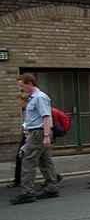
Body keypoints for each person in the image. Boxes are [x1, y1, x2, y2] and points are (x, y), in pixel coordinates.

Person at [10, 75, 60, 204]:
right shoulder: (33, 98)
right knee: (45, 160)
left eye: (22, 85)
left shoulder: (40, 97)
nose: (21, 88)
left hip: (39, 132)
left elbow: (46, 117)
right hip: (37, 132)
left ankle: (27, 193)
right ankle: (52, 188)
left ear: (30, 83)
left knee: (27, 160)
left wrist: (46, 136)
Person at [7, 93, 29, 189]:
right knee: (40, 158)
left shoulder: (29, 110)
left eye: (20, 101)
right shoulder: (23, 110)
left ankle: (20, 182)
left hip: (30, 136)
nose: (18, 103)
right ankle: (18, 180)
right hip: (26, 135)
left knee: (21, 158)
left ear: (25, 101)